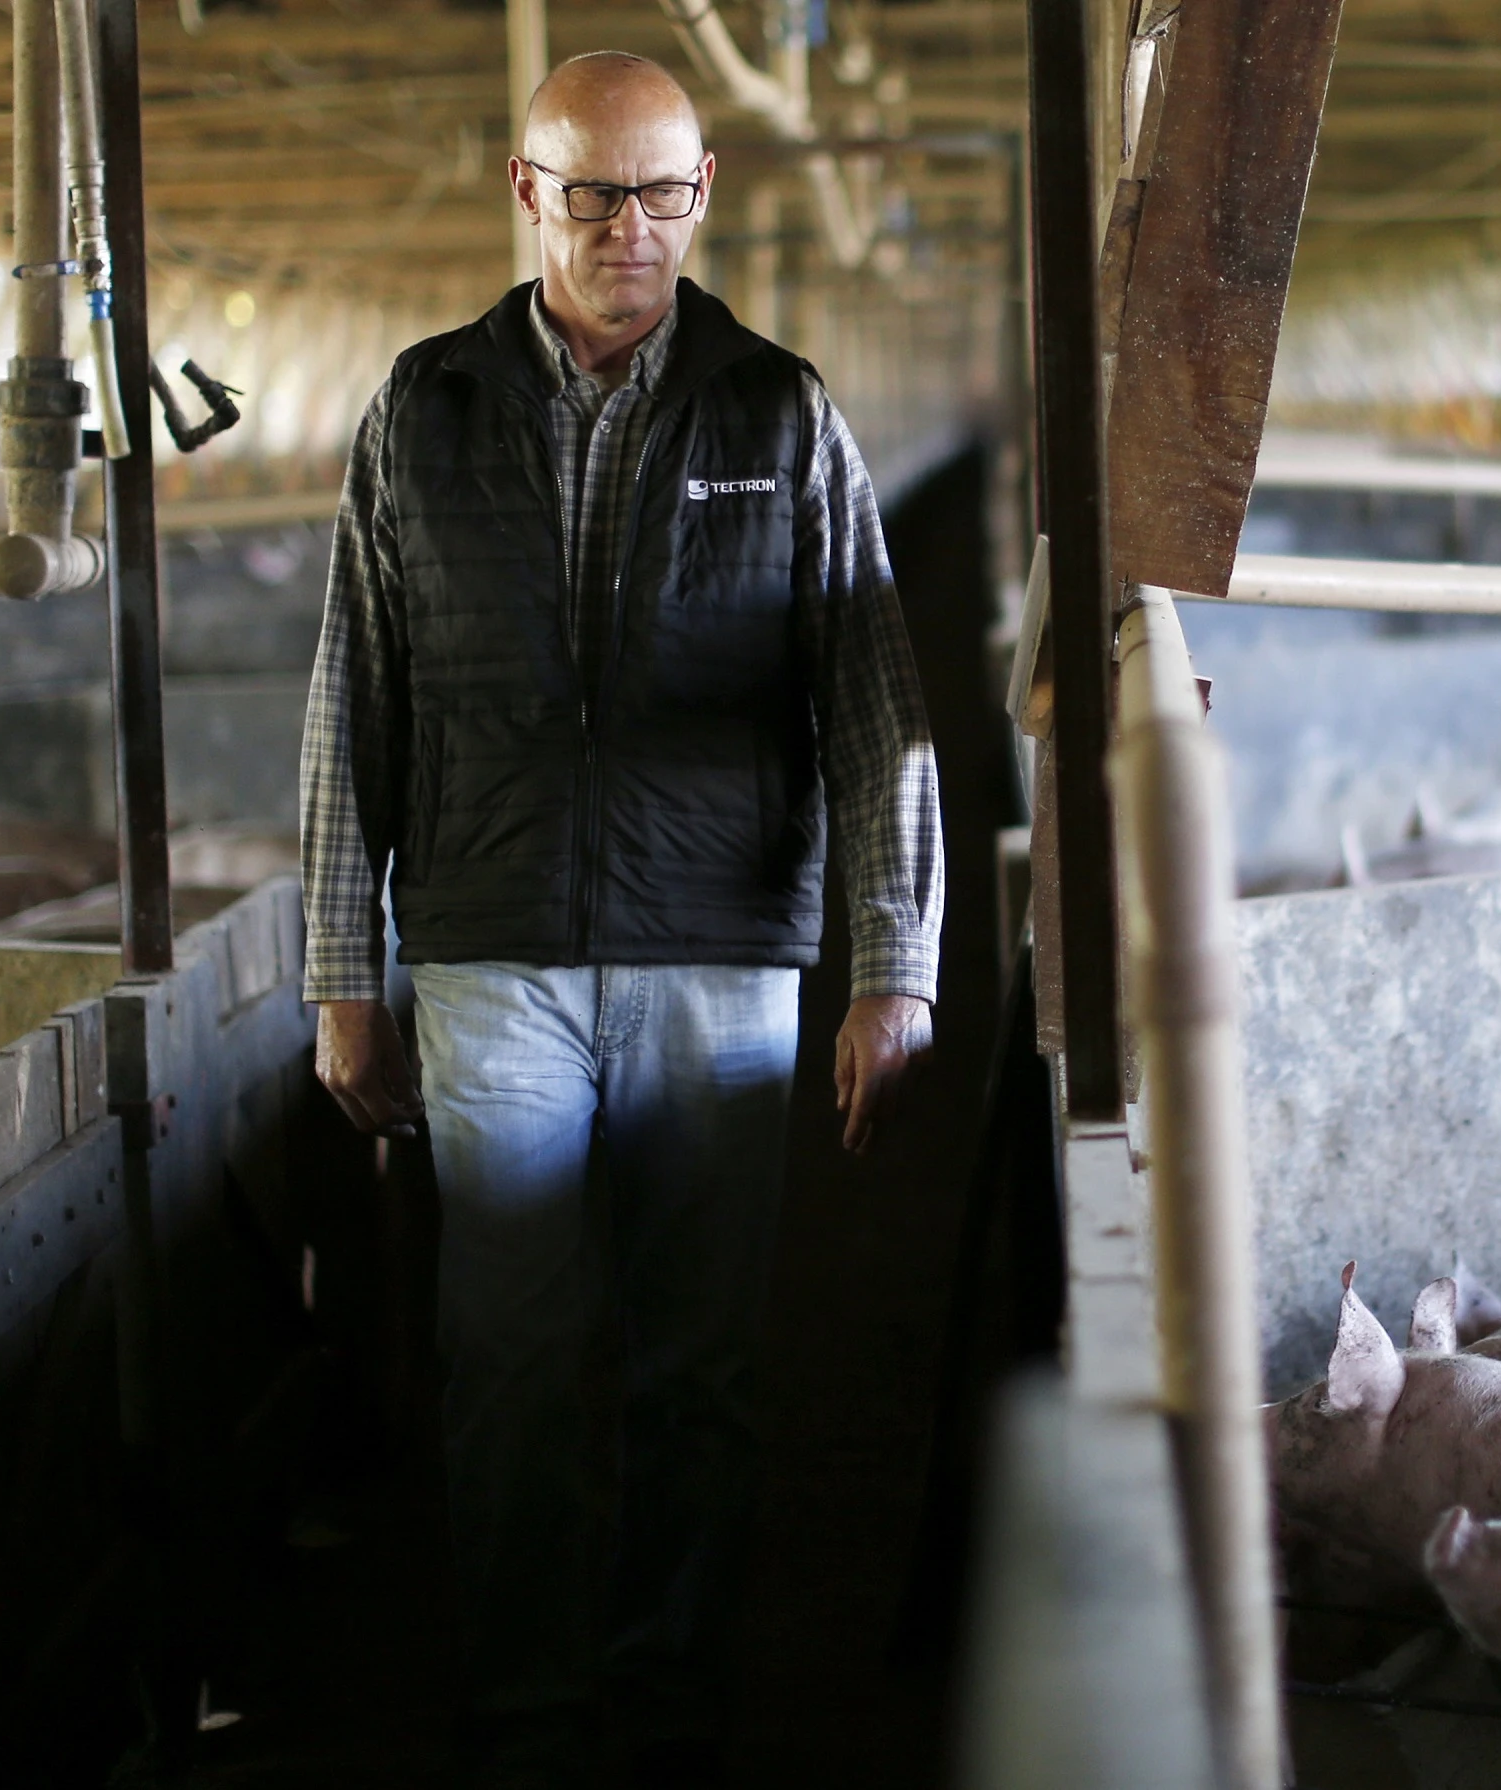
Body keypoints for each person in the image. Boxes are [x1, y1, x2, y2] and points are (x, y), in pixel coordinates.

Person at [297, 50, 941, 1789]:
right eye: (593, 194)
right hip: (491, 952)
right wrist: (343, 967)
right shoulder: (422, 409)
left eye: (662, 193)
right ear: (528, 192)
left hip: (718, 956)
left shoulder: (779, 411)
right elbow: (355, 692)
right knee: (506, 1350)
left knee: (699, 1367)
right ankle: (527, 1709)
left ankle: (668, 1699)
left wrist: (894, 964)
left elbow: (876, 701)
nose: (630, 229)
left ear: (704, 190)